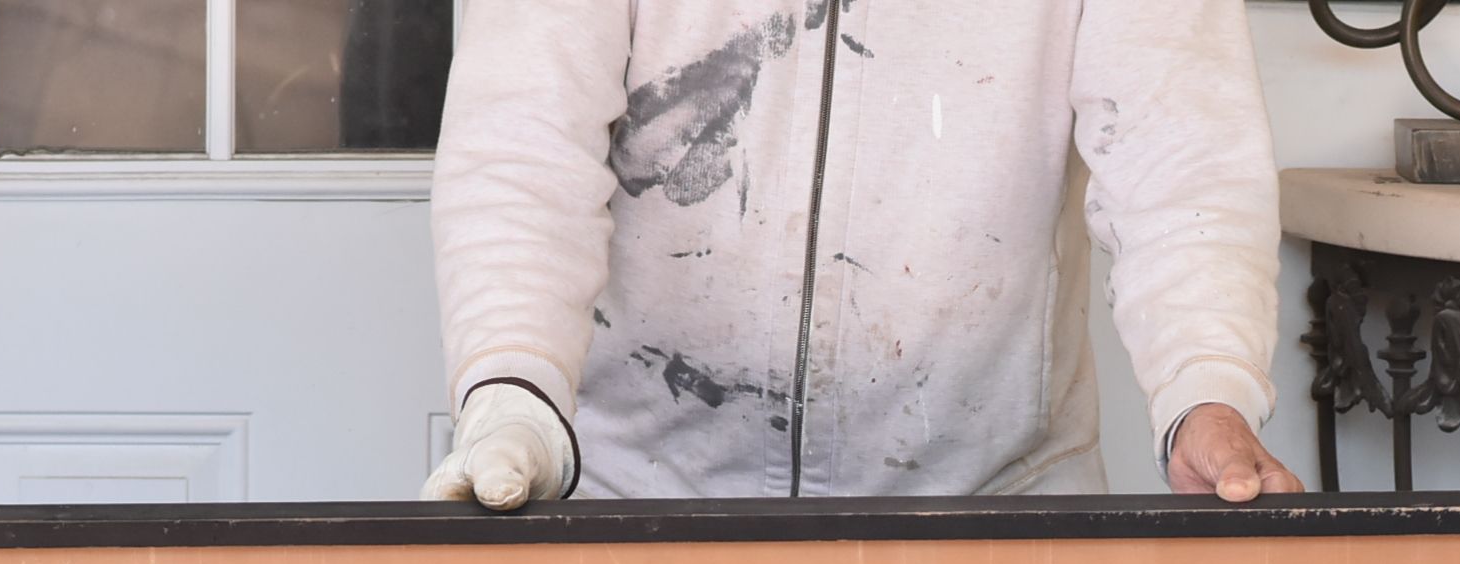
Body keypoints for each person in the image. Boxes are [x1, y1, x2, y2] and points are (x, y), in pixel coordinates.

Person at [421, 2, 1302, 510]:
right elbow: (525, 137)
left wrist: (1205, 390)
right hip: (638, 502)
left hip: (992, 511)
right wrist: (514, 389)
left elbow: (1179, 149)